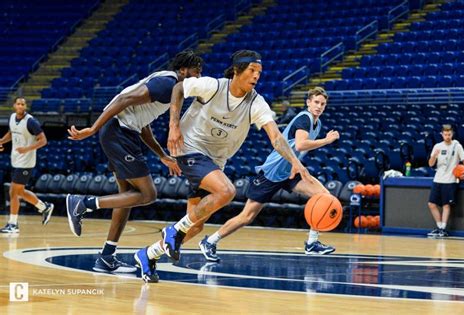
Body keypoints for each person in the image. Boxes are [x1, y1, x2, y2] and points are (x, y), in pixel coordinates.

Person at [134, 50, 315, 282]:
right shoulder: (213, 86)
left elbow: (276, 137)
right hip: (189, 147)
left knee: (195, 226)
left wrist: (296, 162)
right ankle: (173, 231)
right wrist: (173, 125)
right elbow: (179, 88)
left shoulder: (256, 103)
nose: (256, 76)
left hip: (214, 161)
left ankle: (148, 254)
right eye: (252, 70)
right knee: (226, 191)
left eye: (259, 72)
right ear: (237, 71)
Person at [65, 50, 203, 275]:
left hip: (124, 133)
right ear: (182, 71)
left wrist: (161, 155)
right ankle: (84, 204)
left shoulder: (170, 88)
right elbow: (123, 99)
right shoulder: (168, 84)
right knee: (148, 194)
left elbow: (144, 125)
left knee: (126, 197)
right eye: (196, 72)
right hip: (118, 131)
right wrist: (93, 128)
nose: (199, 77)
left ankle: (106, 257)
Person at [199, 87, 339, 261]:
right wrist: (326, 140)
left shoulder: (317, 124)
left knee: (324, 196)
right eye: (316, 102)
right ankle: (210, 241)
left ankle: (312, 243)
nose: (319, 106)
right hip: (272, 173)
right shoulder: (305, 118)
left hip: (291, 171)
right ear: (308, 102)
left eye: (322, 104)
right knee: (247, 216)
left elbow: (298, 148)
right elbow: (301, 145)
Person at [0, 97, 54, 233]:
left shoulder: (31, 121)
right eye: (18, 103)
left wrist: (27, 149)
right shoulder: (12, 117)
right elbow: (12, 133)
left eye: (22, 104)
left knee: (13, 191)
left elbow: (43, 140)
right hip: (16, 159)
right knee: (19, 191)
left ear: (25, 107)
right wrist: (1, 141)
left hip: (26, 162)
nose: (20, 106)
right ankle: (44, 207)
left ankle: (13, 224)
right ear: (14, 105)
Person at [427, 124, 464, 238]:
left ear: (452, 134)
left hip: (450, 180)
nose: (447, 136)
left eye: (449, 134)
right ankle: (439, 227)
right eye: (445, 134)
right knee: (431, 204)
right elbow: (431, 164)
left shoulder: (457, 146)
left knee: (446, 205)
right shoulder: (437, 146)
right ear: (442, 134)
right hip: (438, 179)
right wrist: (434, 157)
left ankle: (443, 229)